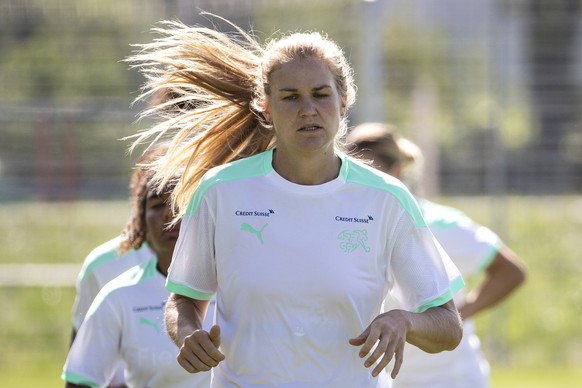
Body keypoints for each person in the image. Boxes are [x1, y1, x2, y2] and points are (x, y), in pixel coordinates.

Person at [126, 14, 464, 387]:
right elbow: (184, 300)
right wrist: (188, 333)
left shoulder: (387, 199)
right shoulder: (220, 191)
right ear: (266, 105)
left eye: (320, 94)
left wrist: (405, 321)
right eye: (290, 97)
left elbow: (447, 326)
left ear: (344, 100)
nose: (308, 110)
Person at [347, 122, 527, 388]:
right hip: (388, 380)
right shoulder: (349, 227)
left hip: (452, 379)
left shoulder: (441, 224)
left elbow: (511, 271)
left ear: (396, 172)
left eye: (372, 172)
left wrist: (456, 316)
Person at [62, 144, 214, 388]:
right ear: (140, 219)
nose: (169, 213)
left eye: (180, 199)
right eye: (156, 204)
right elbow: (81, 376)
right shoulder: (116, 292)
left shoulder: (239, 281)